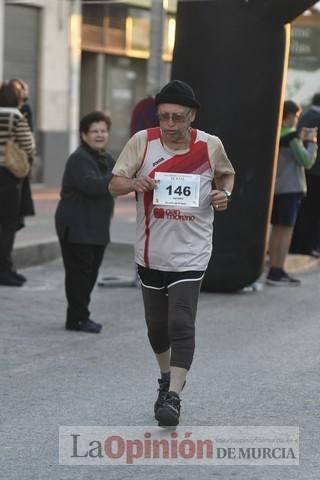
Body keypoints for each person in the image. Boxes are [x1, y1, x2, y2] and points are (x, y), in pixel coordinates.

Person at [109, 80, 235, 426]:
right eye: (164, 117)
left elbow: (225, 176)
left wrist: (223, 195)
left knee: (180, 320)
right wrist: (134, 183)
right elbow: (114, 183)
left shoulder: (210, 145)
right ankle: (165, 378)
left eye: (177, 118)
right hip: (151, 252)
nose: (170, 125)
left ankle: (174, 396)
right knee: (156, 328)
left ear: (191, 116)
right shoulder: (143, 142)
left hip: (192, 251)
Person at [55, 111, 115, 334]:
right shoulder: (79, 159)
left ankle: (81, 314)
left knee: (89, 275)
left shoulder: (107, 158)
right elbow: (94, 186)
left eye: (103, 131)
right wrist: (119, 174)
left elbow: (119, 182)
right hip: (77, 228)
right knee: (79, 276)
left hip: (97, 229)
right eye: (94, 131)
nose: (100, 135)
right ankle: (77, 319)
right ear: (84, 135)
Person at [266, 100, 317, 286]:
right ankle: (278, 269)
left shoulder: (276, 133)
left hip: (277, 188)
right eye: (296, 116)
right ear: (289, 116)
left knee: (275, 229)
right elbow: (307, 161)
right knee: (285, 230)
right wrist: (312, 142)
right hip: (291, 188)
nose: (297, 120)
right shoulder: (291, 137)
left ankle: (273, 268)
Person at [0, 81, 35, 287]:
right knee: (8, 226)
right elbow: (29, 145)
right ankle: (5, 271)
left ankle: (6, 268)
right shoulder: (15, 116)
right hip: (9, 175)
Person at [291, 93, 320, 257]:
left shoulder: (305, 115)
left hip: (304, 171)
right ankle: (309, 246)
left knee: (303, 211)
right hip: (316, 170)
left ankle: (296, 245)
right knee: (314, 212)